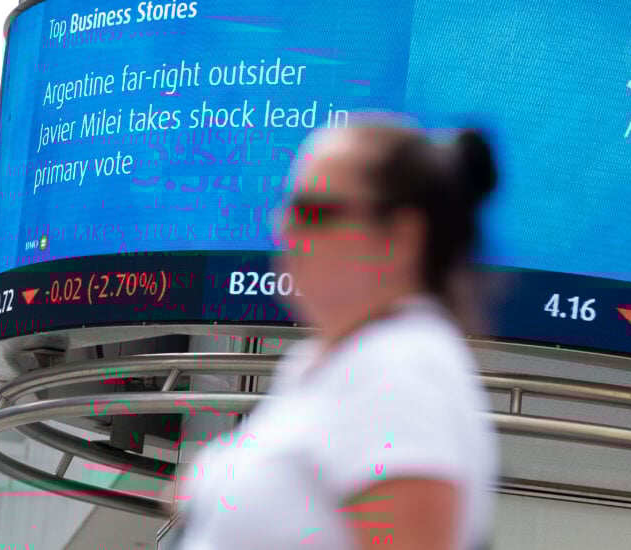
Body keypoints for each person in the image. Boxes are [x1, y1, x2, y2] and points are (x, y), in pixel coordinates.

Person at [176, 114, 500, 550]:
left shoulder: (401, 371)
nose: (284, 227)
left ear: (398, 238)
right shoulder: (324, 364)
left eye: (313, 212)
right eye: (287, 206)